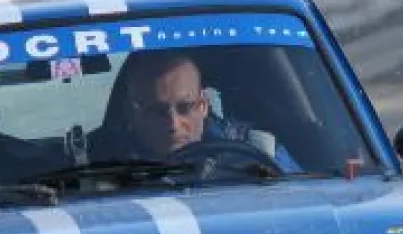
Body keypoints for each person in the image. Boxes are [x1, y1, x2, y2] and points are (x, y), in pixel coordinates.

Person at [100, 50, 300, 171]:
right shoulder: (92, 163)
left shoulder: (260, 151)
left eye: (185, 108)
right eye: (156, 111)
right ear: (131, 113)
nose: (173, 124)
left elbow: (303, 199)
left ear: (204, 105)